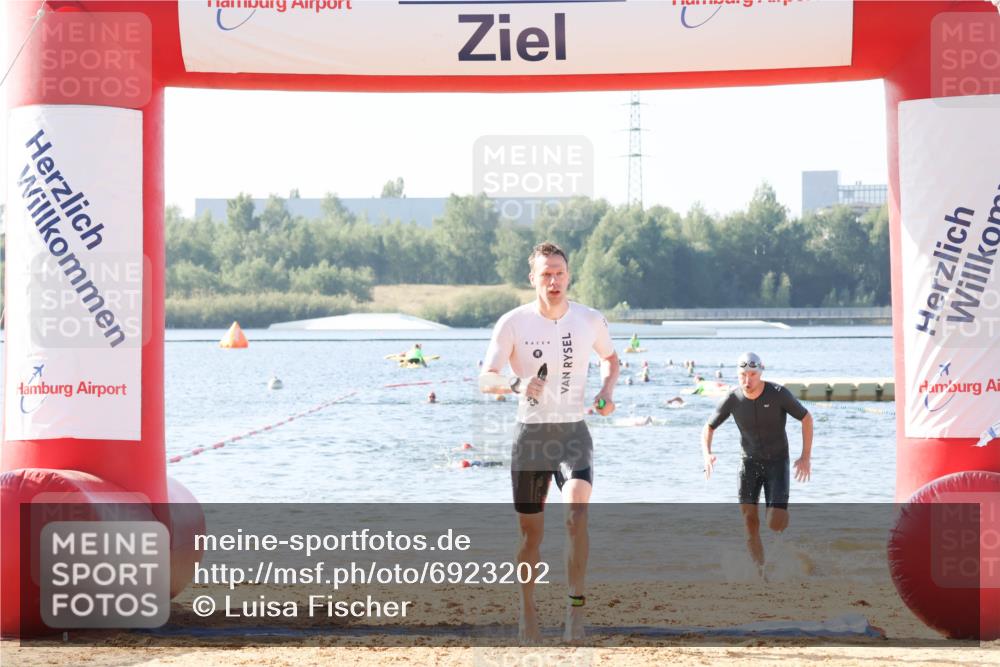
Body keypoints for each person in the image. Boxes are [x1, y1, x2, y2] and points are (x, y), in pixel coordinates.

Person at [479, 241, 619, 643]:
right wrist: (516, 382)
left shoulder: (590, 320)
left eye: (559, 272)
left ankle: (575, 608)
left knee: (576, 515)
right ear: (533, 279)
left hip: (573, 432)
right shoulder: (512, 323)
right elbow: (486, 376)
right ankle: (527, 611)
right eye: (545, 274)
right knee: (530, 538)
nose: (553, 280)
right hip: (531, 438)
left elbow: (611, 359)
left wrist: (608, 391)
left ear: (569, 276)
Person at [700, 352, 813, 575]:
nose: (747, 380)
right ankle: (760, 572)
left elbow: (806, 418)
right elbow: (708, 427)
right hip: (748, 464)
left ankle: (783, 527)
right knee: (749, 522)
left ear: (760, 373)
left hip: (777, 463)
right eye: (743, 374)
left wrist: (805, 457)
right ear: (738, 374)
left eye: (752, 374)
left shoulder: (778, 394)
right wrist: (707, 454)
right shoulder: (733, 399)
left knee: (774, 522)